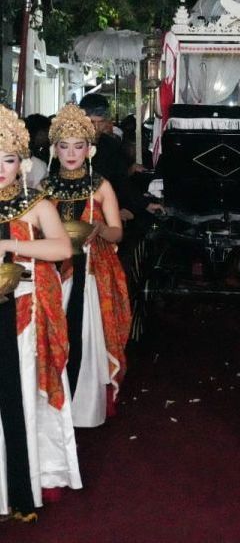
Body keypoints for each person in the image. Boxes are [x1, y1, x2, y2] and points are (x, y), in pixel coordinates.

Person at [0, 105, 81, 521]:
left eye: (9, 159)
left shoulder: (36, 204)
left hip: (23, 311)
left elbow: (62, 249)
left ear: (22, 163)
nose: (1, 168)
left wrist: (10, 247)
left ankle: (20, 489)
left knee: (20, 398)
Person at [42, 104, 131, 427]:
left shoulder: (100, 185)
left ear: (89, 150)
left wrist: (99, 231)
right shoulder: (44, 187)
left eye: (78, 146)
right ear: (55, 149)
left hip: (92, 268)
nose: (71, 153)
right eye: (64, 146)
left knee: (85, 333)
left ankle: (82, 409)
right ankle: (52, 405)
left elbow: (117, 231)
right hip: (53, 269)